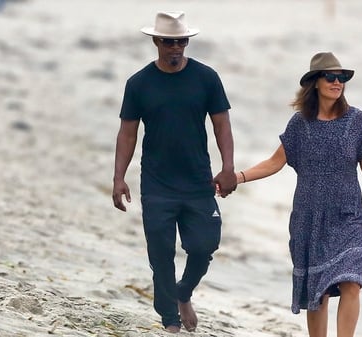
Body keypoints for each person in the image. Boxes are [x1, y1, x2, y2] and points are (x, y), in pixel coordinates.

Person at [232, 52, 362, 337]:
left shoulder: (355, 121)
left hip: (347, 216)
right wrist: (237, 178)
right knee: (318, 291)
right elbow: (274, 162)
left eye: (342, 78)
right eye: (331, 77)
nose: (338, 83)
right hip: (309, 218)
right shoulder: (300, 125)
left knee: (352, 281)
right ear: (315, 82)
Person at [112, 11, 237, 333]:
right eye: (169, 41)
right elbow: (128, 133)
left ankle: (184, 293)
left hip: (198, 180)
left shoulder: (206, 78)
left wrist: (228, 168)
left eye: (181, 41)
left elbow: (221, 124)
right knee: (161, 254)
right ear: (156, 41)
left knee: (204, 246)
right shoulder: (139, 83)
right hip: (156, 183)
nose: (175, 47)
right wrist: (118, 178)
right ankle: (169, 318)